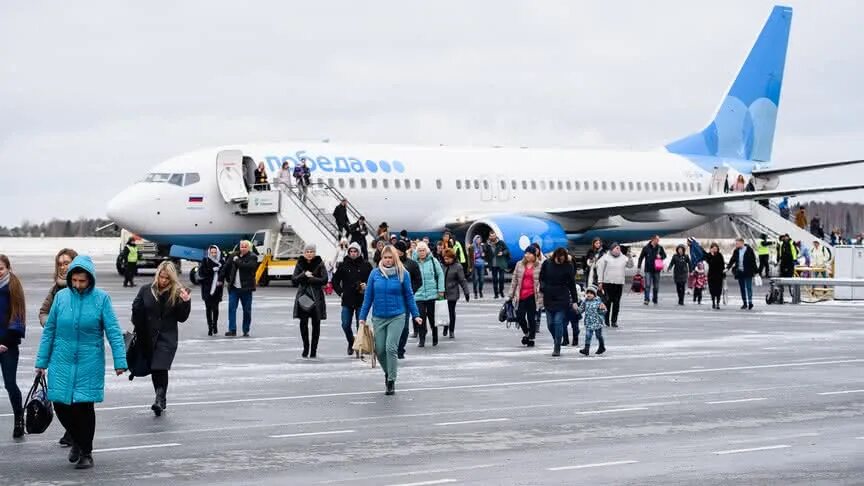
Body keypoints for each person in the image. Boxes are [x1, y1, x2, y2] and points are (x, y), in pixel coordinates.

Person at [35, 255, 127, 470]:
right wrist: (42, 361)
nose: (77, 285)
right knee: (60, 405)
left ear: (90, 279)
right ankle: (77, 439)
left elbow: (113, 331)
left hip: (89, 362)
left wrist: (120, 360)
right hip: (61, 359)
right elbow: (49, 331)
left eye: (82, 281)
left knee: (83, 408)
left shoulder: (101, 299)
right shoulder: (61, 298)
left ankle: (86, 452)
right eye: (74, 280)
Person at [359, 245, 422, 395]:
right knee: (380, 350)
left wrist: (416, 314)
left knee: (391, 348)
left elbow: (409, 295)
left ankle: (391, 381)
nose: (387, 260)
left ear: (395, 258)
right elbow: (368, 297)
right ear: (381, 258)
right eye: (385, 257)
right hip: (379, 317)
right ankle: (388, 372)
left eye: (390, 257)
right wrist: (362, 317)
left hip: (397, 315)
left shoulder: (403, 274)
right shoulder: (374, 274)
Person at [131, 261, 192, 416]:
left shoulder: (177, 292)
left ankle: (159, 399)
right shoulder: (146, 290)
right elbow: (136, 311)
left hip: (167, 338)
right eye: (161, 277)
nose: (163, 281)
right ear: (157, 275)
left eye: (167, 278)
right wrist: (137, 321)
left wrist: (185, 302)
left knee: (160, 367)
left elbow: (182, 318)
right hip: (148, 337)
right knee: (154, 368)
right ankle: (161, 397)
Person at [38, 248, 79, 446]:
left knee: (77, 397)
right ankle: (71, 430)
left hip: (79, 351)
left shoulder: (82, 287)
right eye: (60, 263)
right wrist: (51, 323)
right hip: (58, 349)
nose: (63, 267)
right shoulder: (56, 289)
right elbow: (43, 312)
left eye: (67, 262)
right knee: (59, 396)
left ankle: (77, 435)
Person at [0, 255, 26, 439]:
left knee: (10, 384)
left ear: (8, 268)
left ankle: (19, 418)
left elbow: (18, 318)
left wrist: (5, 342)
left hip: (7, 345)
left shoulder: (13, 288)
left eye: (0, 268)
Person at [332, 242, 372, 355]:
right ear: (348, 252)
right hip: (347, 300)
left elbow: (374, 279)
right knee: (345, 324)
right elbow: (335, 280)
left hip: (361, 299)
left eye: (355, 251)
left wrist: (367, 285)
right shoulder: (344, 265)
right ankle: (351, 341)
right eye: (351, 251)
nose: (353, 253)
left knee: (360, 325)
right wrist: (340, 292)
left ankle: (359, 346)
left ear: (359, 252)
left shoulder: (366, 265)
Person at [539, 248, 579, 357]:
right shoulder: (547, 263)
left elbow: (572, 284)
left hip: (562, 297)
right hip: (548, 296)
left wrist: (575, 301)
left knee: (558, 322)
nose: (560, 260)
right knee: (550, 324)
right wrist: (543, 288)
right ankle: (557, 337)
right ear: (555, 256)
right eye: (559, 258)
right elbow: (541, 277)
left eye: (563, 258)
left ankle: (557, 346)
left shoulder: (568, 266)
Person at [292, 245, 328, 358]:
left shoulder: (319, 263)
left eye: (311, 251)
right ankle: (306, 347)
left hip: (316, 297)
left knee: (316, 324)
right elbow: (294, 280)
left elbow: (325, 279)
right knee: (303, 323)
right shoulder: (300, 263)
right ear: (304, 253)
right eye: (307, 251)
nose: (309, 253)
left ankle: (314, 349)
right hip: (303, 297)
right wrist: (304, 274)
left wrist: (312, 279)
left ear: (315, 253)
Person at [508, 247, 543, 348]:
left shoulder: (539, 266)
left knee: (531, 318)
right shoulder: (519, 264)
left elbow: (542, 281)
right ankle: (527, 333)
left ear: (534, 255)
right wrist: (510, 295)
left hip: (533, 295)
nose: (526, 255)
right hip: (521, 295)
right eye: (525, 253)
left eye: (529, 253)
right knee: (519, 316)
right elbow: (514, 280)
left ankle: (531, 338)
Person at [222, 240, 257, 337]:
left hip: (246, 289)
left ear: (249, 248)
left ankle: (246, 330)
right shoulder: (233, 255)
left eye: (245, 247)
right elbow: (226, 267)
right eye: (241, 246)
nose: (243, 248)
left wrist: (237, 261)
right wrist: (221, 279)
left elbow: (248, 266)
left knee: (247, 310)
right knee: (231, 309)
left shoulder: (253, 257)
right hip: (234, 288)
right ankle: (232, 329)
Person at [394, 241, 422, 358]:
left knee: (404, 327)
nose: (398, 252)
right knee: (394, 326)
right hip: (393, 299)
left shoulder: (412, 264)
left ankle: (401, 349)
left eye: (400, 250)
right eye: (397, 250)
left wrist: (410, 290)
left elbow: (418, 281)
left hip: (405, 299)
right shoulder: (391, 263)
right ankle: (393, 348)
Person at [413, 242, 445, 347]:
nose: (421, 252)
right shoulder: (414, 263)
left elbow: (440, 274)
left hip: (432, 294)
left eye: (423, 250)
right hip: (419, 295)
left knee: (432, 317)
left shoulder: (433, 261)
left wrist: (441, 289)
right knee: (420, 317)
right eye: (419, 251)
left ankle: (435, 336)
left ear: (426, 251)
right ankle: (422, 339)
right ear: (416, 252)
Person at [596, 242, 633, 327]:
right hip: (608, 283)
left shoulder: (623, 257)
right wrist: (600, 281)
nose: (618, 250)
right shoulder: (605, 257)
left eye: (619, 248)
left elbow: (630, 265)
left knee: (616, 303)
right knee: (608, 302)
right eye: (616, 248)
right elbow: (600, 269)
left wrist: (629, 257)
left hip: (619, 283)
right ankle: (606, 320)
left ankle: (614, 321)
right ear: (612, 249)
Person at [442, 249, 470, 339]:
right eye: (445, 259)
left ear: (453, 258)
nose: (446, 260)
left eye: (448, 259)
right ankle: (445, 326)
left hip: (453, 293)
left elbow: (462, 280)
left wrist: (466, 292)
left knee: (451, 312)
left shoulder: (458, 267)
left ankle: (451, 330)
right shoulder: (442, 266)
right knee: (444, 312)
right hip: (442, 293)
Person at [198, 245, 224, 336]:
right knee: (208, 308)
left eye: (215, 252)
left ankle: (215, 325)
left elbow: (223, 273)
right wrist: (212, 270)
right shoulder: (205, 261)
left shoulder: (221, 261)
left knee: (216, 308)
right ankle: (209, 327)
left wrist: (220, 280)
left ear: (218, 252)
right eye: (212, 252)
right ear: (209, 252)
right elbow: (201, 273)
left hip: (217, 288)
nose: (213, 254)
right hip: (207, 288)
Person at [726, 238, 758, 310]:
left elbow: (753, 261)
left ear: (742, 243)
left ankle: (750, 302)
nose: (736, 245)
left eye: (737, 243)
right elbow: (732, 260)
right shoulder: (736, 251)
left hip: (748, 272)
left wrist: (756, 272)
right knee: (742, 288)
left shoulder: (749, 250)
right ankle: (744, 303)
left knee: (749, 288)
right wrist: (727, 268)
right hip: (740, 272)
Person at [637, 235, 667, 305]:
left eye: (658, 240)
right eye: (657, 239)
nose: (658, 241)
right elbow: (641, 258)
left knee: (656, 286)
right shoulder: (646, 248)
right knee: (647, 285)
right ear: (653, 239)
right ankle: (646, 299)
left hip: (657, 270)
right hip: (648, 270)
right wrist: (639, 267)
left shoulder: (660, 247)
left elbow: (665, 256)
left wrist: (661, 257)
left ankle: (655, 299)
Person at [578, 286, 607, 356]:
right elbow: (581, 310)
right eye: (587, 293)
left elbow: (603, 311)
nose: (589, 294)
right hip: (589, 322)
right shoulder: (585, 301)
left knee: (598, 335)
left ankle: (602, 346)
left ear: (594, 295)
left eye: (591, 293)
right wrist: (576, 309)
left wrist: (603, 309)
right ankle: (586, 349)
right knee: (588, 335)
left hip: (597, 322)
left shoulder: (598, 301)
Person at [487, 232, 510, 298]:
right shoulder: (488, 244)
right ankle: (496, 294)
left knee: (501, 278)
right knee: (494, 280)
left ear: (496, 236)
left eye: (494, 236)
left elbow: (507, 250)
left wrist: (502, 253)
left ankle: (501, 291)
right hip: (493, 264)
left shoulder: (501, 242)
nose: (493, 237)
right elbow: (485, 252)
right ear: (489, 237)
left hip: (501, 263)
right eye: (491, 236)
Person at [777, 234, 798, 303]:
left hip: (790, 262)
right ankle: (780, 297)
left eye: (786, 237)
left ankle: (793, 296)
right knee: (781, 279)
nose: (785, 238)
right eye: (784, 237)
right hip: (783, 262)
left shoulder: (791, 243)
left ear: (788, 237)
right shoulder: (781, 243)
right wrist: (779, 259)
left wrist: (794, 259)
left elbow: (794, 251)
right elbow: (780, 252)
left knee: (790, 279)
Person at [705, 243, 726, 309]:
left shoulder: (720, 255)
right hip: (711, 275)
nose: (714, 250)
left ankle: (718, 303)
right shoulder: (708, 255)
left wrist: (724, 273)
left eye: (716, 249)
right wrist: (712, 255)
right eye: (713, 248)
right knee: (712, 290)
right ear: (711, 249)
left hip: (719, 275)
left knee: (718, 289)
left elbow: (722, 265)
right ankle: (713, 302)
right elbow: (710, 262)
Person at [470, 235, 490, 299]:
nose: (478, 241)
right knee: (475, 280)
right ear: (475, 240)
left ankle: (480, 291)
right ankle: (475, 293)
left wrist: (484, 256)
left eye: (479, 240)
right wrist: (470, 266)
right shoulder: (472, 247)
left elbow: (486, 252)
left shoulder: (482, 246)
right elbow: (469, 257)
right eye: (477, 240)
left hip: (481, 264)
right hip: (474, 265)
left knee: (481, 280)